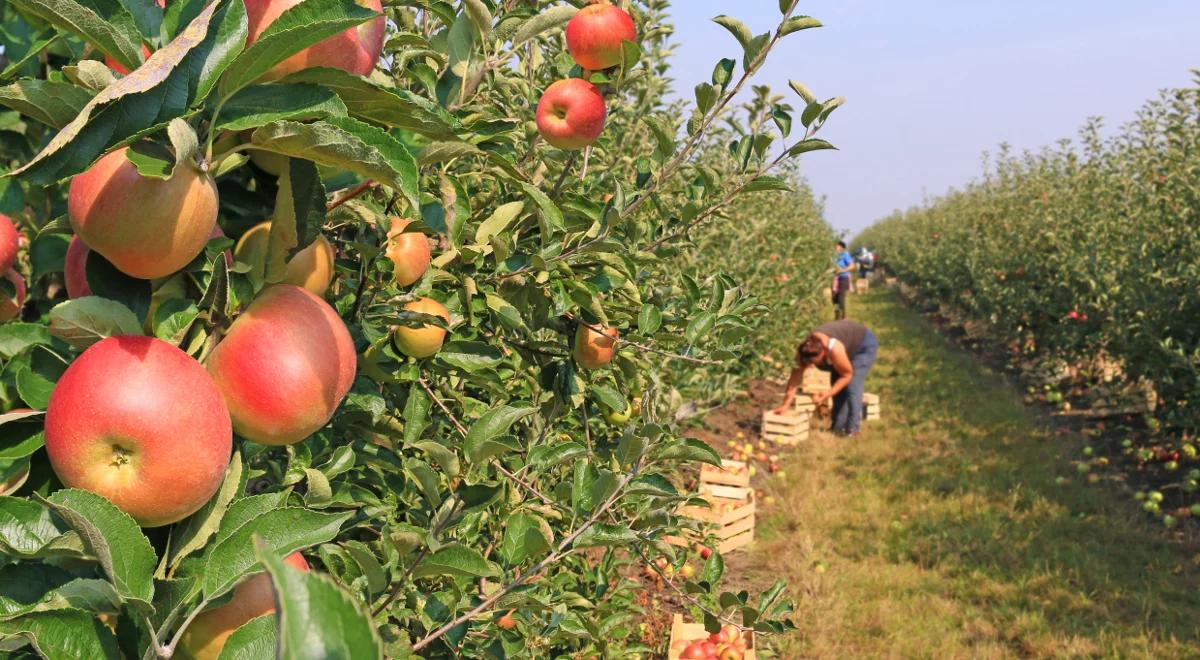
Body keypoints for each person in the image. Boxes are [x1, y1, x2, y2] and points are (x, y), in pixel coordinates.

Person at [773, 319, 879, 436]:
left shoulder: (834, 348)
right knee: (836, 386)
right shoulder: (805, 350)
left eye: (820, 361)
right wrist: (785, 405)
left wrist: (827, 394)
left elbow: (847, 376)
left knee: (852, 385)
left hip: (862, 345)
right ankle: (837, 427)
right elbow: (794, 380)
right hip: (845, 344)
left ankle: (853, 429)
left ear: (824, 351)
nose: (818, 365)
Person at [832, 240, 853, 319]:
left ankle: (843, 317)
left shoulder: (845, 255)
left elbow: (852, 266)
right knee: (834, 298)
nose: (835, 247)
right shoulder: (833, 256)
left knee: (841, 297)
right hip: (835, 278)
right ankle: (837, 316)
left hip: (844, 277)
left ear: (841, 247)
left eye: (836, 246)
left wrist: (842, 270)